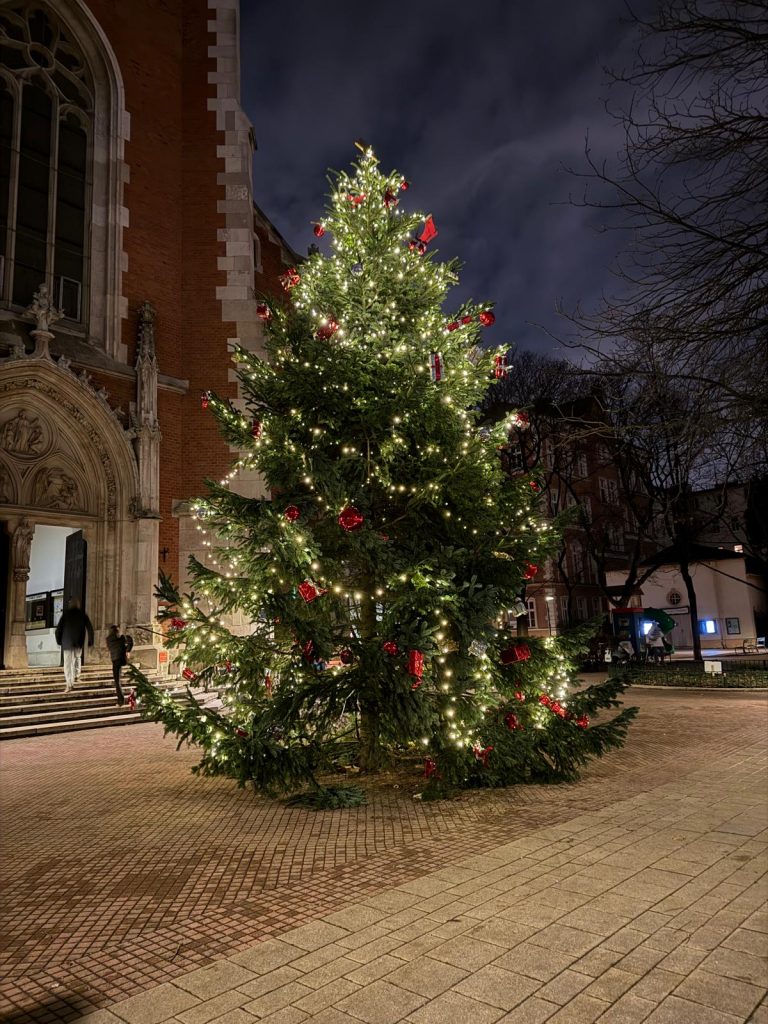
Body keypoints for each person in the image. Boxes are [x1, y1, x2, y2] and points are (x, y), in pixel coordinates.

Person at [55, 597, 94, 692]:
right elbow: (90, 628)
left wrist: (59, 641)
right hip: (78, 642)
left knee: (68, 664)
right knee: (77, 658)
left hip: (67, 642)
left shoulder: (66, 615)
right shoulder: (82, 614)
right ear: (78, 605)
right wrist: (90, 641)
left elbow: (58, 630)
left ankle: (69, 683)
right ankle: (76, 676)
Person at [106, 625, 133, 706]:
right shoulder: (122, 638)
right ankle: (121, 701)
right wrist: (127, 650)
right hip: (121, 660)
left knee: (117, 681)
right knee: (118, 681)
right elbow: (130, 641)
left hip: (115, 661)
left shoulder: (108, 639)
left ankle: (120, 701)